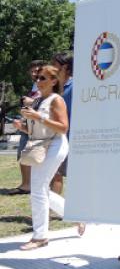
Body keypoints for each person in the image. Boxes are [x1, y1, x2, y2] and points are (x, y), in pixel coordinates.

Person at [12, 66, 78, 250]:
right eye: (37, 78)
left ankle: (40, 237)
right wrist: (22, 127)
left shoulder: (57, 100)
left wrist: (38, 117)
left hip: (56, 145)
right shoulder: (41, 100)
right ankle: (75, 215)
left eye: (42, 78)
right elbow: (40, 129)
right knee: (40, 189)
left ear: (54, 81)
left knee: (38, 189)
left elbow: (63, 127)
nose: (38, 81)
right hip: (43, 144)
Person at [10, 60, 46, 196]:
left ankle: (32, 186)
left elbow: (49, 102)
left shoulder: (48, 84)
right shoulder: (34, 86)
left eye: (36, 71)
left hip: (39, 127)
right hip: (27, 124)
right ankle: (26, 185)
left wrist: (32, 102)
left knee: (36, 156)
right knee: (23, 154)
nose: (34, 74)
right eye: (31, 71)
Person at [49, 53, 73, 195]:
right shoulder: (55, 87)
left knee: (57, 172)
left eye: (54, 64)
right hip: (53, 135)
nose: (52, 66)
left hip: (68, 136)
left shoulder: (74, 86)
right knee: (53, 172)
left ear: (65, 67)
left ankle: (54, 209)